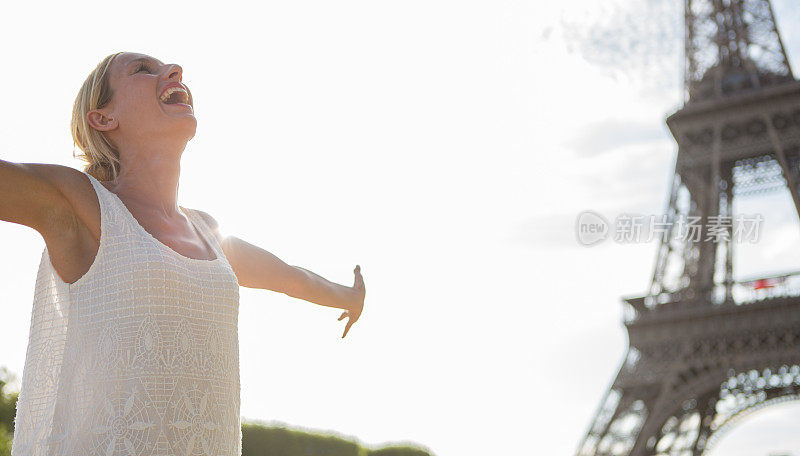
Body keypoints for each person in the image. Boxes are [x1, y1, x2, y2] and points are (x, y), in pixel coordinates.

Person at [0, 51, 366, 456]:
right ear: (103, 118)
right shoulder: (82, 205)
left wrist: (350, 297)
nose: (173, 70)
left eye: (167, 68)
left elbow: (291, 278)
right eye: (143, 70)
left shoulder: (209, 234)